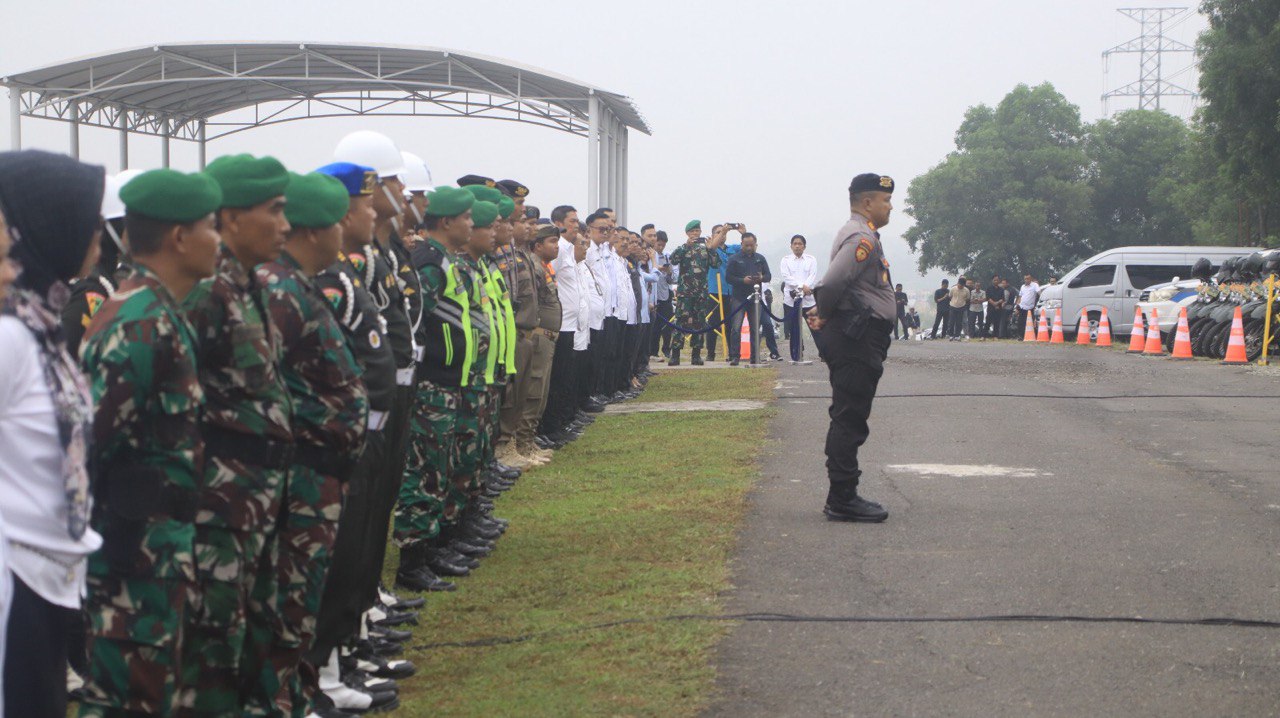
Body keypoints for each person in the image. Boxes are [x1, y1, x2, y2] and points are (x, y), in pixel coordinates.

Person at [77, 169, 221, 717]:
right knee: (127, 700)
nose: (219, 240)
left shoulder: (161, 310)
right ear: (180, 237)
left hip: (162, 550)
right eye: (211, 227)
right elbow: (89, 450)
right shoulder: (136, 323)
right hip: (132, 559)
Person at [180, 153, 295, 716]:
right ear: (228, 218)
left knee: (255, 642)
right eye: (273, 211)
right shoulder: (204, 294)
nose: (285, 225)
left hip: (255, 501)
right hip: (216, 514)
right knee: (215, 657)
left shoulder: (247, 284)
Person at [256, 171, 371, 715]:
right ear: (316, 230)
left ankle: (302, 692)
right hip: (297, 473)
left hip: (320, 471)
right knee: (287, 604)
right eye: (337, 223)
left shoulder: (299, 284)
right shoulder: (279, 290)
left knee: (302, 601)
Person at [0, 150, 105, 718]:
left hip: (52, 577)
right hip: (16, 583)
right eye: (86, 219)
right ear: (49, 226)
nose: (98, 234)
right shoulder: (11, 338)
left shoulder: (42, 325)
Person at [806, 172, 894, 524]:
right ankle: (842, 496)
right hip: (857, 337)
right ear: (868, 202)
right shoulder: (861, 236)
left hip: (862, 337)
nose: (890, 207)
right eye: (885, 200)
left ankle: (842, 493)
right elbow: (831, 282)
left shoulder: (864, 234)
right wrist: (825, 313)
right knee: (849, 416)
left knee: (850, 413)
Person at [667, 220, 728, 365]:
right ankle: (675, 354)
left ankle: (696, 354)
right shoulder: (683, 248)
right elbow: (673, 260)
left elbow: (716, 264)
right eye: (692, 231)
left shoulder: (705, 249)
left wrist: (711, 249)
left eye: (697, 231)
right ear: (687, 233)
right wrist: (686, 246)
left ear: (701, 232)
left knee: (699, 323)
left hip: (701, 293)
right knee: (680, 322)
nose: (695, 233)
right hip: (685, 293)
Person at [724, 231, 771, 365]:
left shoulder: (760, 258)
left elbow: (768, 276)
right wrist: (742, 280)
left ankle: (755, 356)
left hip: (755, 299)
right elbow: (728, 278)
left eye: (751, 245)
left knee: (755, 328)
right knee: (736, 328)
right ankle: (735, 356)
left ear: (756, 245)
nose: (749, 248)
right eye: (746, 245)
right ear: (741, 244)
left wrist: (761, 278)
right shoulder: (734, 258)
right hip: (739, 298)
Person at [779, 234, 817, 362]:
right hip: (791, 300)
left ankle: (824, 353)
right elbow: (786, 277)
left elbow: (812, 276)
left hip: (808, 300)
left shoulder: (811, 260)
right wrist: (802, 286)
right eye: (794, 243)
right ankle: (796, 353)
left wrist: (806, 288)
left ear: (804, 246)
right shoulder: (785, 260)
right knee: (793, 328)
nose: (797, 246)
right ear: (791, 246)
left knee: (816, 327)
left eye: (800, 243)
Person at [647, 227, 674, 358]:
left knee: (668, 325)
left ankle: (667, 348)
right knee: (655, 326)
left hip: (665, 295)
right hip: (653, 296)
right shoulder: (648, 255)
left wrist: (668, 272)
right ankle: (653, 351)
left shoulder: (667, 257)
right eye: (658, 244)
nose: (660, 247)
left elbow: (672, 279)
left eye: (663, 245)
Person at [1017, 274, 1040, 340]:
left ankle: (1031, 336)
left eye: (1028, 279)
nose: (1026, 280)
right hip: (1022, 307)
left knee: (1031, 323)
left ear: (1031, 279)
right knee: (1021, 323)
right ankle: (1021, 336)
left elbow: (1039, 293)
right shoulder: (1022, 286)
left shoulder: (1035, 285)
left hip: (1030, 308)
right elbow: (1020, 296)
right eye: (1025, 279)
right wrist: (1017, 306)